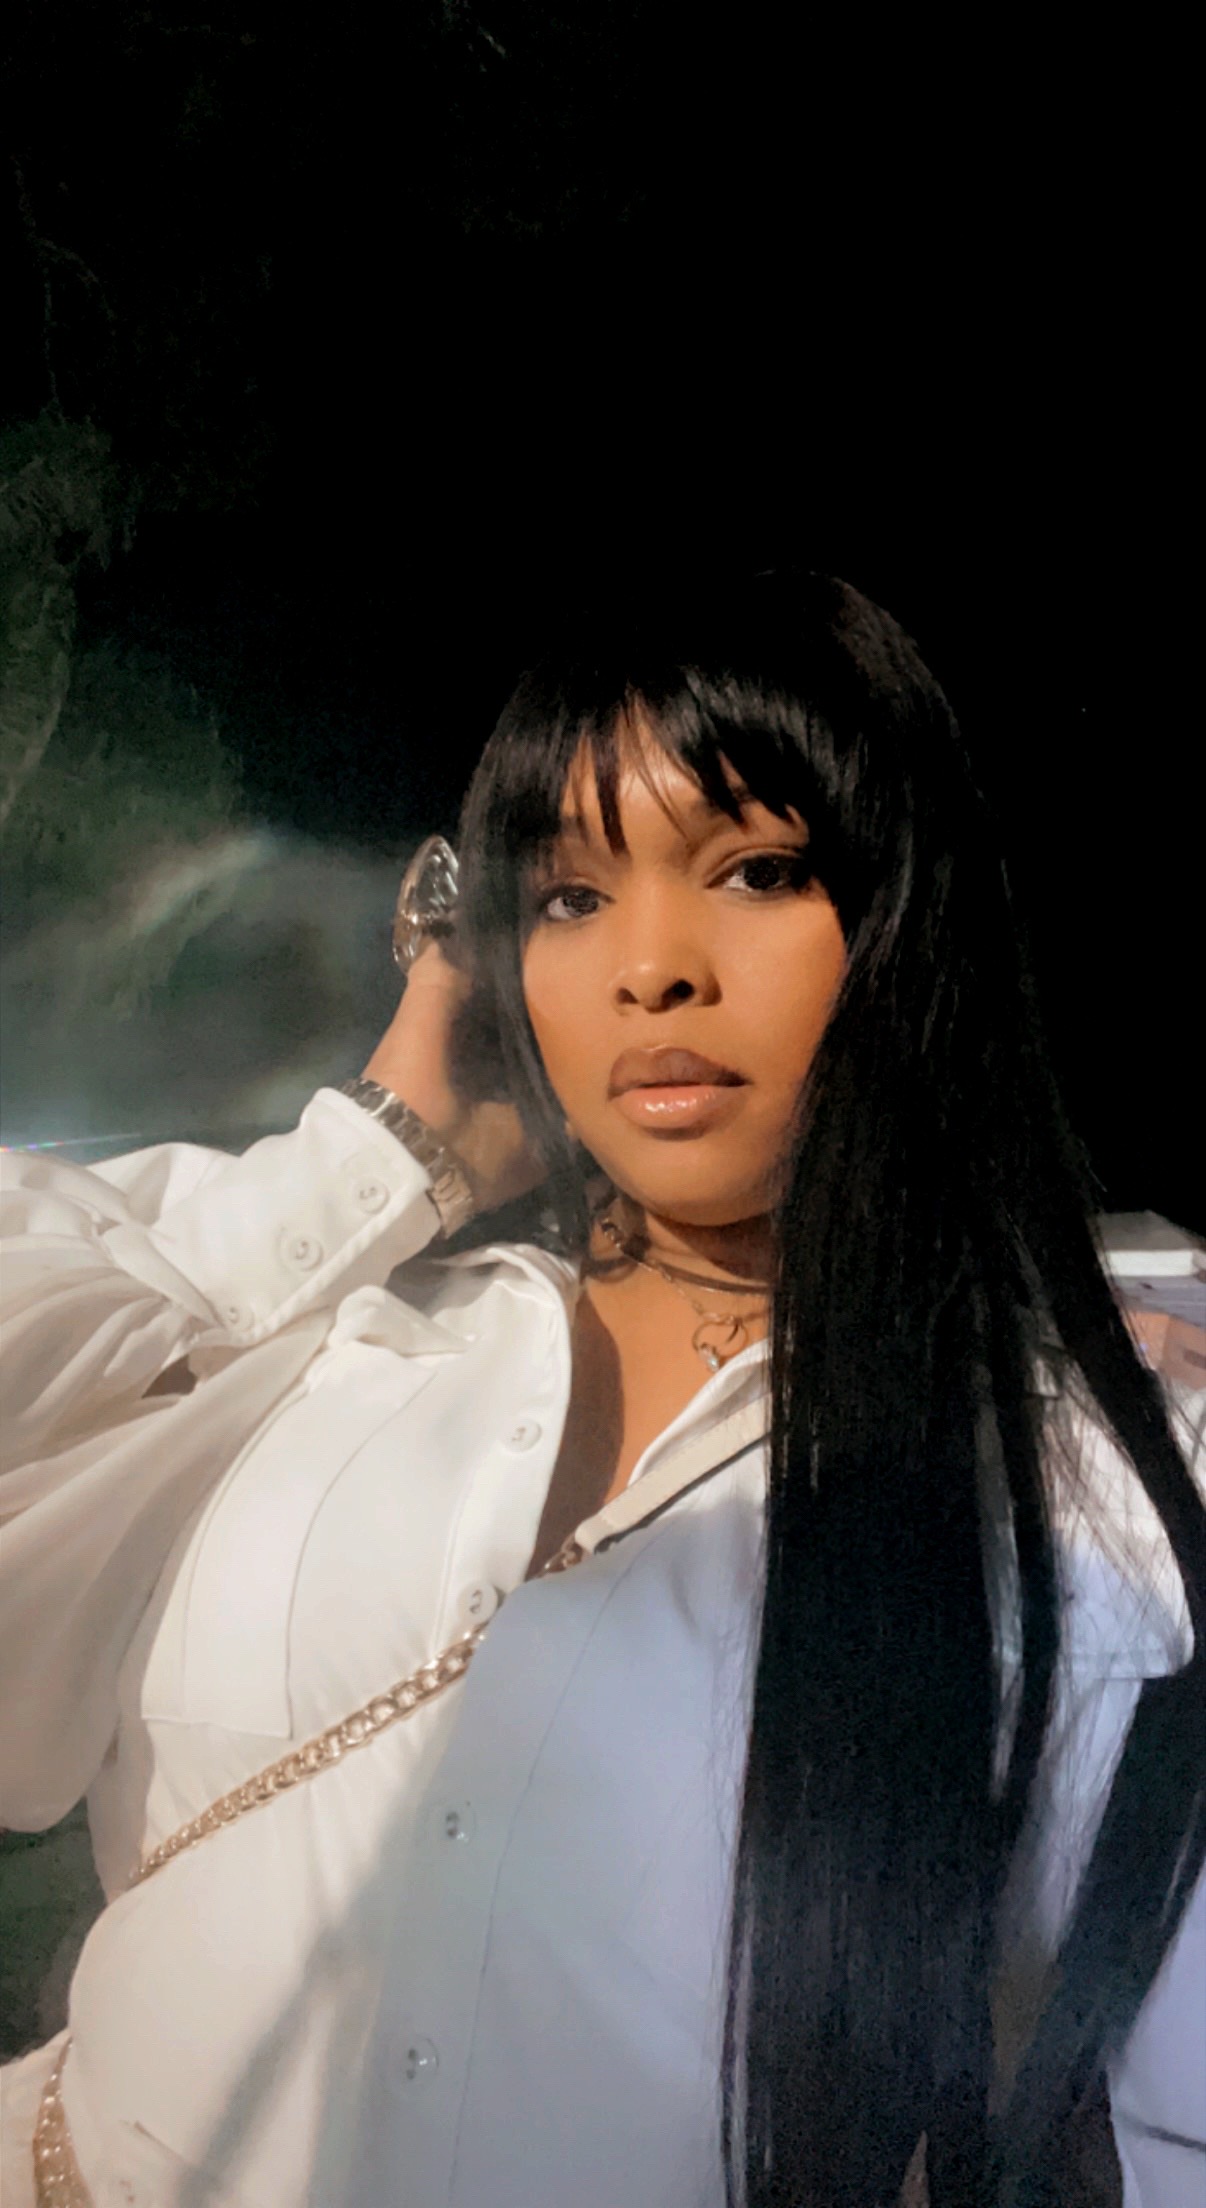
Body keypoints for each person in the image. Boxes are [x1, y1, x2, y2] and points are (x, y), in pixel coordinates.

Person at [1, 570, 1202, 2208]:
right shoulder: (329, 1349)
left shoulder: (1092, 1481)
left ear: (907, 920)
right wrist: (387, 1148)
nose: (652, 970)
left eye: (758, 871)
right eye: (567, 897)